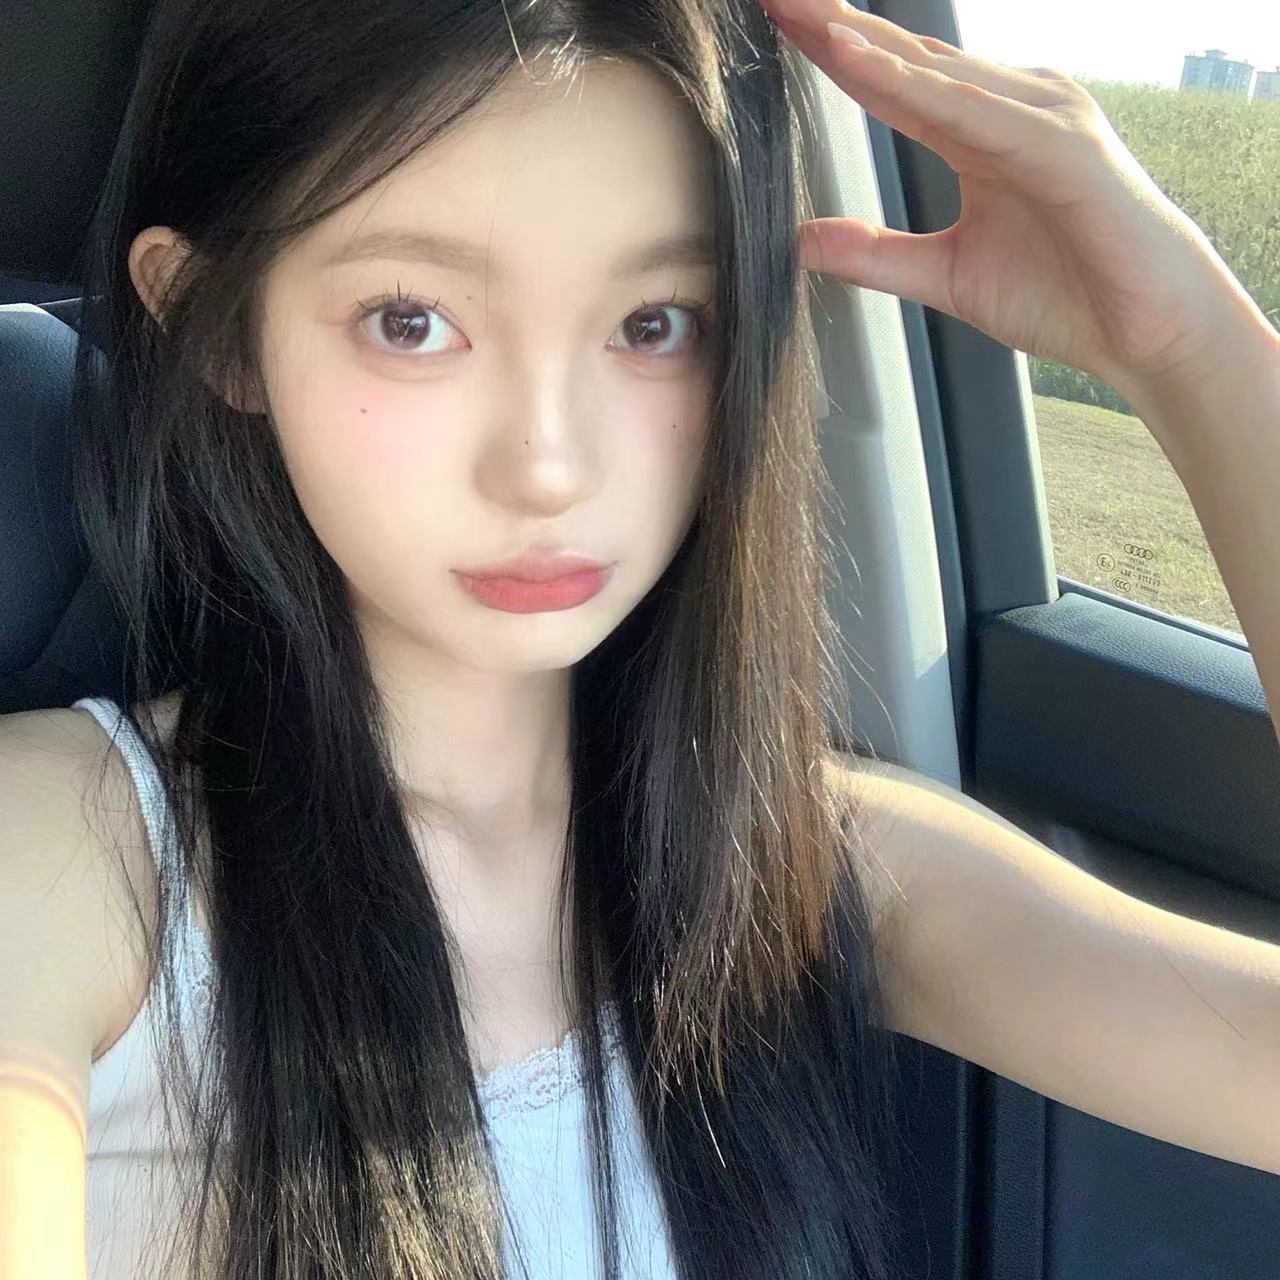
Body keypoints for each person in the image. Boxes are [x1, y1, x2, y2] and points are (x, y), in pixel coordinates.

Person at [0, 1, 909, 1277]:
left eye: (654, 323)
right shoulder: (70, 855)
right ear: (215, 324)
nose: (547, 464)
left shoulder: (790, 850)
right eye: (410, 320)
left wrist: (1169, 343)